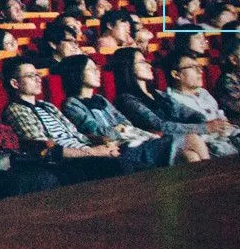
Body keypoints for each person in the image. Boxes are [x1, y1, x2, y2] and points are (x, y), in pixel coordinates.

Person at [59, 55, 206, 166]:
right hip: (120, 148)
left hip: (134, 140)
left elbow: (125, 122)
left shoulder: (101, 99)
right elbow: (94, 129)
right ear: (78, 73)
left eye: (97, 68)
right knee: (190, 138)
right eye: (91, 69)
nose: (97, 72)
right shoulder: (72, 103)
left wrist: (121, 128)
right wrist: (118, 129)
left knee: (190, 156)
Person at [1, 57, 127, 179]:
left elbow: (75, 134)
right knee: (120, 166)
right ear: (15, 83)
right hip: (66, 161)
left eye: (38, 74)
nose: (38, 79)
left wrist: (104, 143)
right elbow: (43, 148)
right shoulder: (16, 109)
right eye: (30, 76)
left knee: (129, 157)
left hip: (84, 150)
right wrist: (93, 152)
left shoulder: (47, 106)